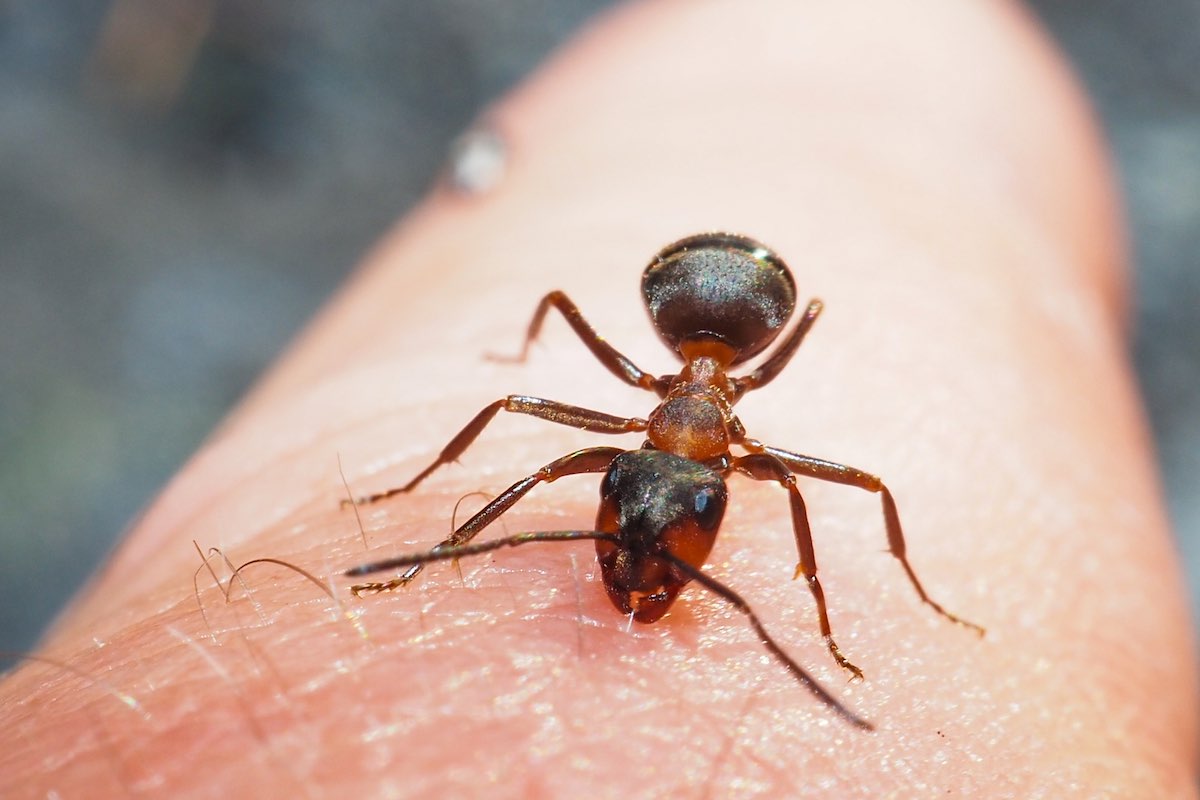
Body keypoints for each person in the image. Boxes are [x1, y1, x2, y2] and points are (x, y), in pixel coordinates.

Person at [3, 1, 1195, 795]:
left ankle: (830, 622)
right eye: (655, 517)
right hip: (709, 298)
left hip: (725, 289)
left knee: (852, 484)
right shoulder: (670, 428)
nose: (640, 535)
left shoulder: (718, 432)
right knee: (523, 443)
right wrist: (423, 510)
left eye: (648, 516)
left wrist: (829, 623)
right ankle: (429, 512)